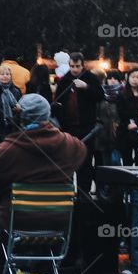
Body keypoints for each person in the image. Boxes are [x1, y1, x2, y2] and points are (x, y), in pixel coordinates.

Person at [0, 94, 86, 274]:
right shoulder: (69, 144)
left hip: (16, 222)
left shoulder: (12, 147)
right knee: (42, 218)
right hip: (57, 223)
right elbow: (81, 151)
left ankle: (5, 272)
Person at [51, 52, 101, 192]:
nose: (74, 69)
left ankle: (84, 194)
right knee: (68, 160)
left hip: (87, 127)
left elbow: (100, 95)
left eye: (77, 66)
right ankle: (67, 192)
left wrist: (86, 87)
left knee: (85, 162)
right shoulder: (65, 80)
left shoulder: (91, 78)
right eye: (72, 66)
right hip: (68, 127)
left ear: (82, 65)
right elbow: (58, 100)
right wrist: (58, 111)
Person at [95, 69, 123, 168]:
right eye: (110, 78)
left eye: (115, 78)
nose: (112, 80)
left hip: (118, 133)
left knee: (116, 163)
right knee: (105, 163)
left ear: (120, 81)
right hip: (103, 135)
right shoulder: (101, 94)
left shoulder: (123, 94)